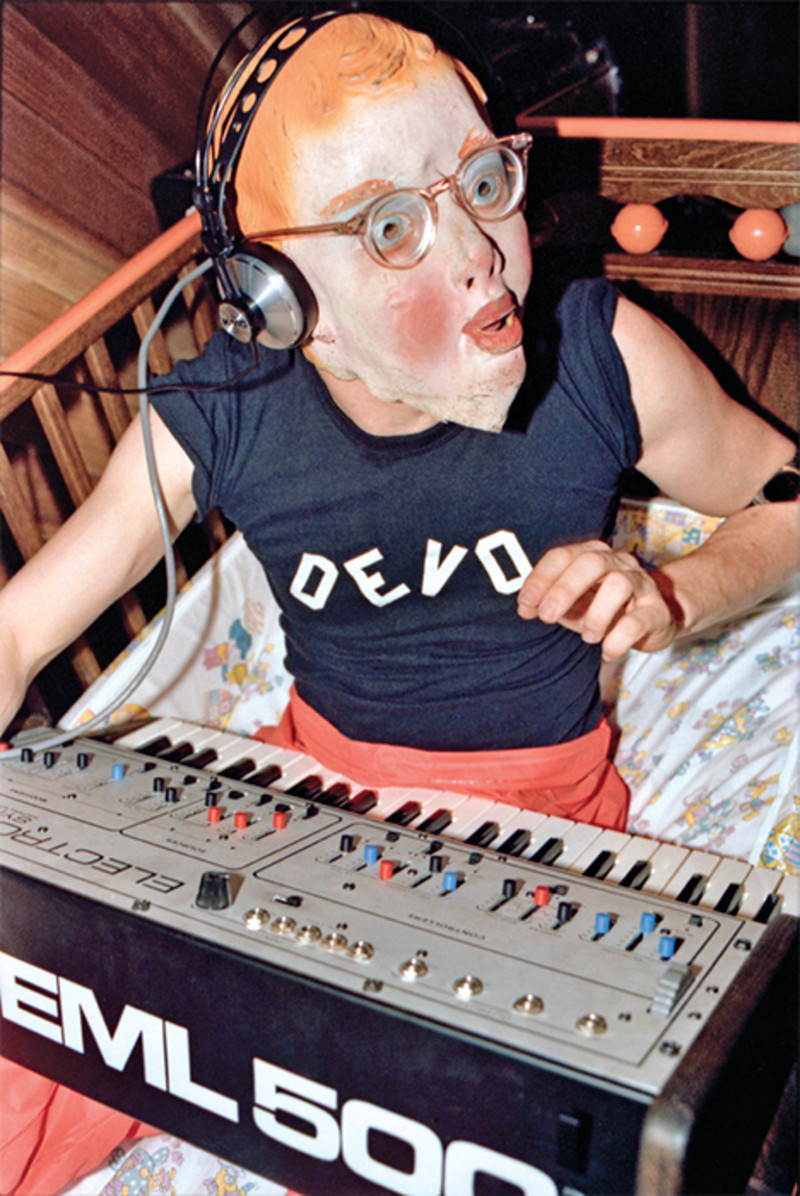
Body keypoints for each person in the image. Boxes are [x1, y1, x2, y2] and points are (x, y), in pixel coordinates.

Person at [0, 11, 797, 1194]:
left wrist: (676, 587)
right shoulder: (223, 407)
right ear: (275, 295)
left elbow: (786, 493)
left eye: (480, 180)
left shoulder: (602, 354)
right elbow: (19, 627)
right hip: (298, 801)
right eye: (388, 226)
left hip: (542, 824)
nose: (479, 253)